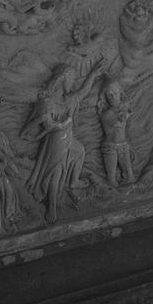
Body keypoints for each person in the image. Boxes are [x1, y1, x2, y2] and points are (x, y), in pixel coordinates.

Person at [24, 63, 102, 222]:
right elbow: (45, 124)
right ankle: (52, 206)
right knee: (56, 171)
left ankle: (74, 181)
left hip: (68, 138)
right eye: (71, 79)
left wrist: (93, 74)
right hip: (56, 141)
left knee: (80, 151)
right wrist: (60, 124)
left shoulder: (69, 99)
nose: (73, 83)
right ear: (63, 79)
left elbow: (83, 92)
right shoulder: (47, 103)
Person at [99, 77, 137, 187]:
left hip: (123, 145)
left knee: (130, 176)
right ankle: (112, 190)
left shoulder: (124, 108)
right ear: (105, 97)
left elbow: (127, 109)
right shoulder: (107, 114)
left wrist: (124, 109)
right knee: (111, 179)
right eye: (109, 94)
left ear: (120, 91)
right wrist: (124, 114)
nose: (112, 96)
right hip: (110, 147)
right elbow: (118, 122)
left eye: (114, 91)